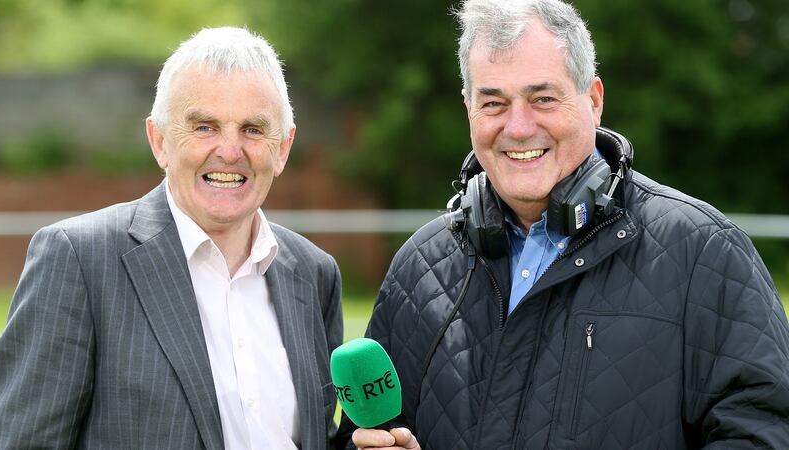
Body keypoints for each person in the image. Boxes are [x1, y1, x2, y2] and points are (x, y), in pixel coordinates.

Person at [337, 0, 789, 449]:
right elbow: (361, 435)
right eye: (493, 103)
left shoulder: (704, 253)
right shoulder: (419, 268)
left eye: (543, 99)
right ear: (468, 109)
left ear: (593, 101)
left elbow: (765, 433)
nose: (517, 127)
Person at [0, 27, 342, 450]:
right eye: (205, 127)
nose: (230, 152)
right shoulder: (80, 260)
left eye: (252, 129)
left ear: (282, 148)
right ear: (159, 141)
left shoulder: (315, 274)